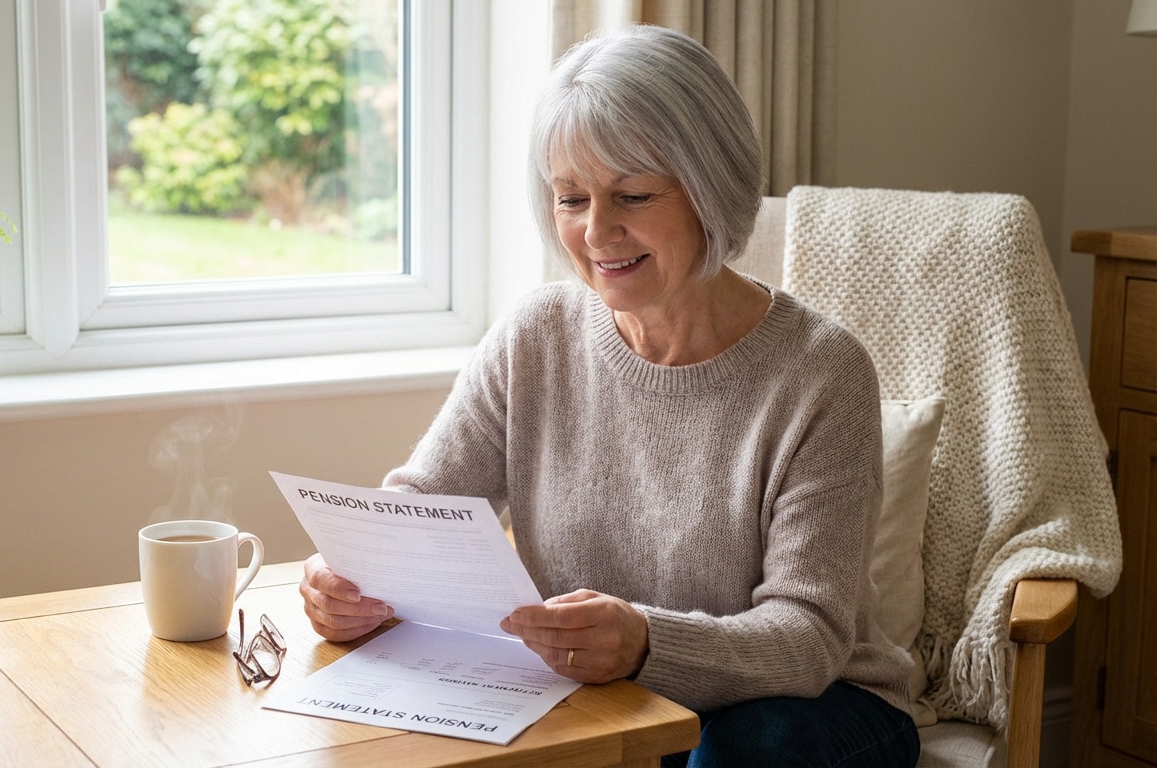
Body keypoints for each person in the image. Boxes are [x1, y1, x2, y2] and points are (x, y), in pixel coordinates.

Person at [299, 23, 920, 767]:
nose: (597, 232)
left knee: (734, 751)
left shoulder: (822, 372)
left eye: (631, 194)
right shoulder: (537, 336)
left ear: (711, 187)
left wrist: (648, 642)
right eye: (570, 198)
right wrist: (351, 582)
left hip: (815, 707)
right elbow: (418, 514)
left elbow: (807, 638)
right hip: (606, 700)